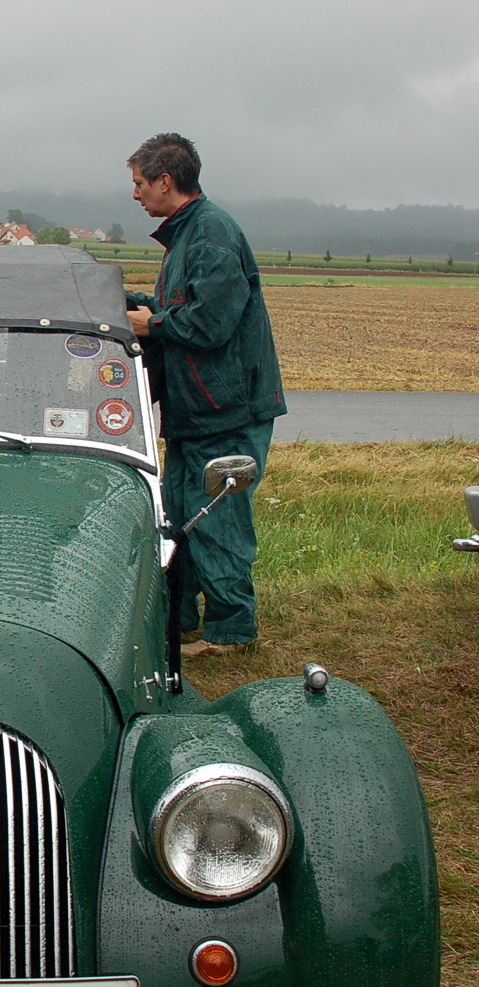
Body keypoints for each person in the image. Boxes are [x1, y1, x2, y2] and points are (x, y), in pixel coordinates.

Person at [124, 133, 285, 656]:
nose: (136, 195)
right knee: (180, 514)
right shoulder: (189, 235)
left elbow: (211, 323)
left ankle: (231, 632)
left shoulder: (211, 233)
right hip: (198, 410)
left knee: (218, 520)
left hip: (227, 409)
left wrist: (154, 325)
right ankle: (183, 620)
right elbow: (181, 306)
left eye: (140, 183)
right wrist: (123, 301)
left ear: (165, 181)